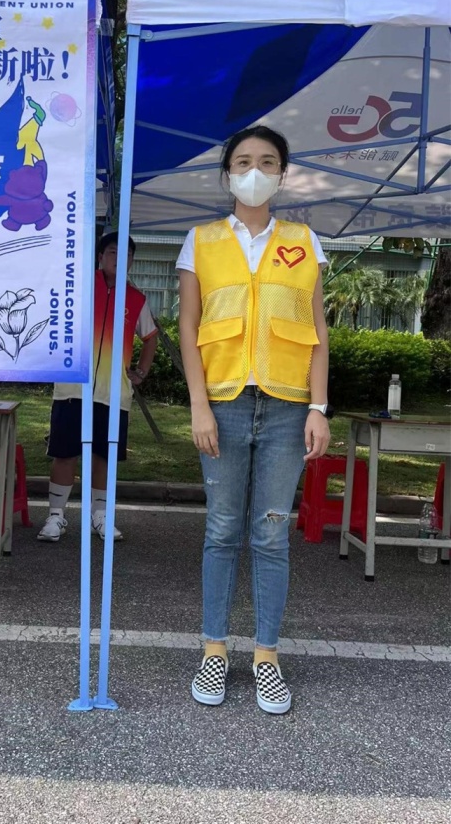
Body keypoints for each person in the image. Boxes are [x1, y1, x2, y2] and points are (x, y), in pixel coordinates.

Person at [177, 125, 331, 714]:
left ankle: (267, 657)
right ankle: (214, 650)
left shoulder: (303, 240)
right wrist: (199, 405)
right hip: (224, 404)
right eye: (243, 162)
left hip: (289, 407)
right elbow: (188, 329)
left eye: (268, 162)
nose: (255, 171)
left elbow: (318, 332)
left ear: (282, 175)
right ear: (227, 175)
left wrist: (318, 407)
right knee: (221, 530)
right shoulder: (201, 241)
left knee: (270, 533)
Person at [37, 231, 158, 542]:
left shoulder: (136, 299)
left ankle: (100, 517)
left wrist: (141, 372)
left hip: (112, 393)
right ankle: (56, 516)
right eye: (113, 252)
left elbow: (150, 337)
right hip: (71, 389)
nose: (120, 259)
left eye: (127, 255)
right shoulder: (76, 286)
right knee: (64, 453)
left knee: (104, 455)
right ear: (100, 256)